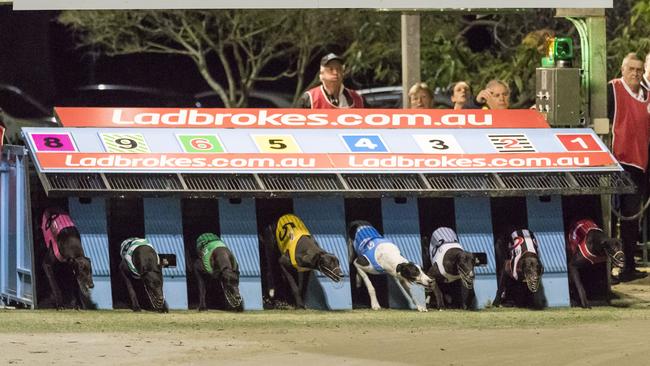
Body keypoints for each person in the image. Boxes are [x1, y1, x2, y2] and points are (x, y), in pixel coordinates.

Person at [608, 52, 650, 282]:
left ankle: (628, 267)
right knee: (613, 219)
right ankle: (610, 268)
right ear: (622, 70)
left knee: (631, 219)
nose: (634, 73)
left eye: (637, 69)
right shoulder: (613, 89)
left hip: (639, 165)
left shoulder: (647, 96)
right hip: (617, 163)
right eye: (630, 69)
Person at [296, 53, 364, 109]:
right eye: (331, 69)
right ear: (322, 74)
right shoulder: (309, 98)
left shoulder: (357, 98)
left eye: (339, 69)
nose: (335, 72)